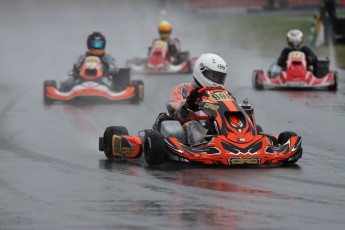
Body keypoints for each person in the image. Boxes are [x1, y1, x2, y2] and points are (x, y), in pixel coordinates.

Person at [167, 53, 231, 145]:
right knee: (192, 125)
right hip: (188, 132)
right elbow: (176, 115)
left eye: (219, 78)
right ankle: (201, 147)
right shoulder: (183, 89)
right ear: (201, 72)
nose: (216, 81)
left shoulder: (224, 94)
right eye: (214, 76)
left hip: (213, 130)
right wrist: (190, 103)